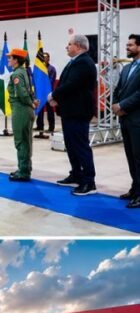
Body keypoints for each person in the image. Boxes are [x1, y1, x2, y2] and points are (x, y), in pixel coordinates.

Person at [49, 34, 98, 195]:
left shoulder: (84, 62)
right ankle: (76, 173)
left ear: (78, 46)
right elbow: (66, 83)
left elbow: (72, 85)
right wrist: (59, 99)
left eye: (69, 44)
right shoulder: (75, 62)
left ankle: (89, 181)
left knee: (80, 146)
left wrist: (54, 95)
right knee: (71, 145)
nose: (66, 47)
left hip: (78, 112)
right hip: (70, 110)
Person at [112, 34, 140, 208]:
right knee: (130, 156)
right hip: (125, 119)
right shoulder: (127, 68)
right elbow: (118, 88)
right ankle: (135, 187)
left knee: (139, 158)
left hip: (137, 119)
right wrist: (115, 104)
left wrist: (123, 105)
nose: (127, 48)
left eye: (130, 45)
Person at [6, 49, 37, 182]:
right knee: (26, 140)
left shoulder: (17, 74)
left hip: (21, 109)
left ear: (16, 60)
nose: (8, 60)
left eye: (10, 58)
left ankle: (23, 171)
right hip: (26, 110)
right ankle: (25, 168)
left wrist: (30, 103)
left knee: (21, 141)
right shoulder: (24, 72)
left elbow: (23, 93)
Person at [35, 52, 57, 138]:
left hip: (48, 92)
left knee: (50, 110)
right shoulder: (40, 69)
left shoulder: (52, 69)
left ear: (49, 58)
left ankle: (51, 127)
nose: (44, 59)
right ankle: (40, 126)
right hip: (40, 92)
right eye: (43, 57)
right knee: (39, 110)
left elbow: (51, 81)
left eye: (46, 57)